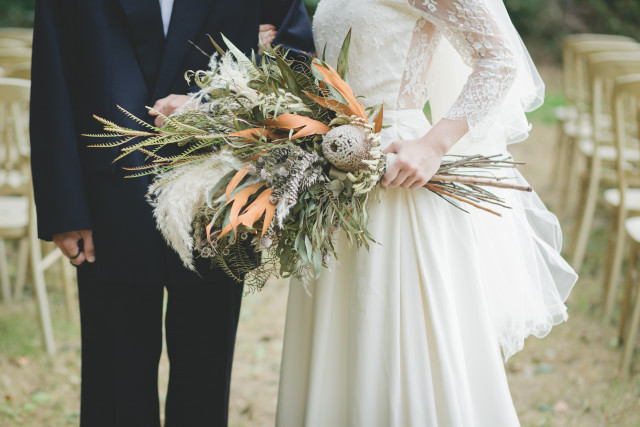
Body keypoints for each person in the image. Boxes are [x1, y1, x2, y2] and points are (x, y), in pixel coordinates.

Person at [276, 0, 578, 426]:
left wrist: (433, 145)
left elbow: (498, 59)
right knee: (339, 332)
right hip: (337, 169)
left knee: (391, 326)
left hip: (396, 174)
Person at [29, 1, 313, 426]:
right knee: (114, 382)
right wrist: (64, 207)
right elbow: (52, 74)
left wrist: (212, 102)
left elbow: (298, 63)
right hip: (108, 202)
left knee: (204, 376)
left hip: (218, 197)